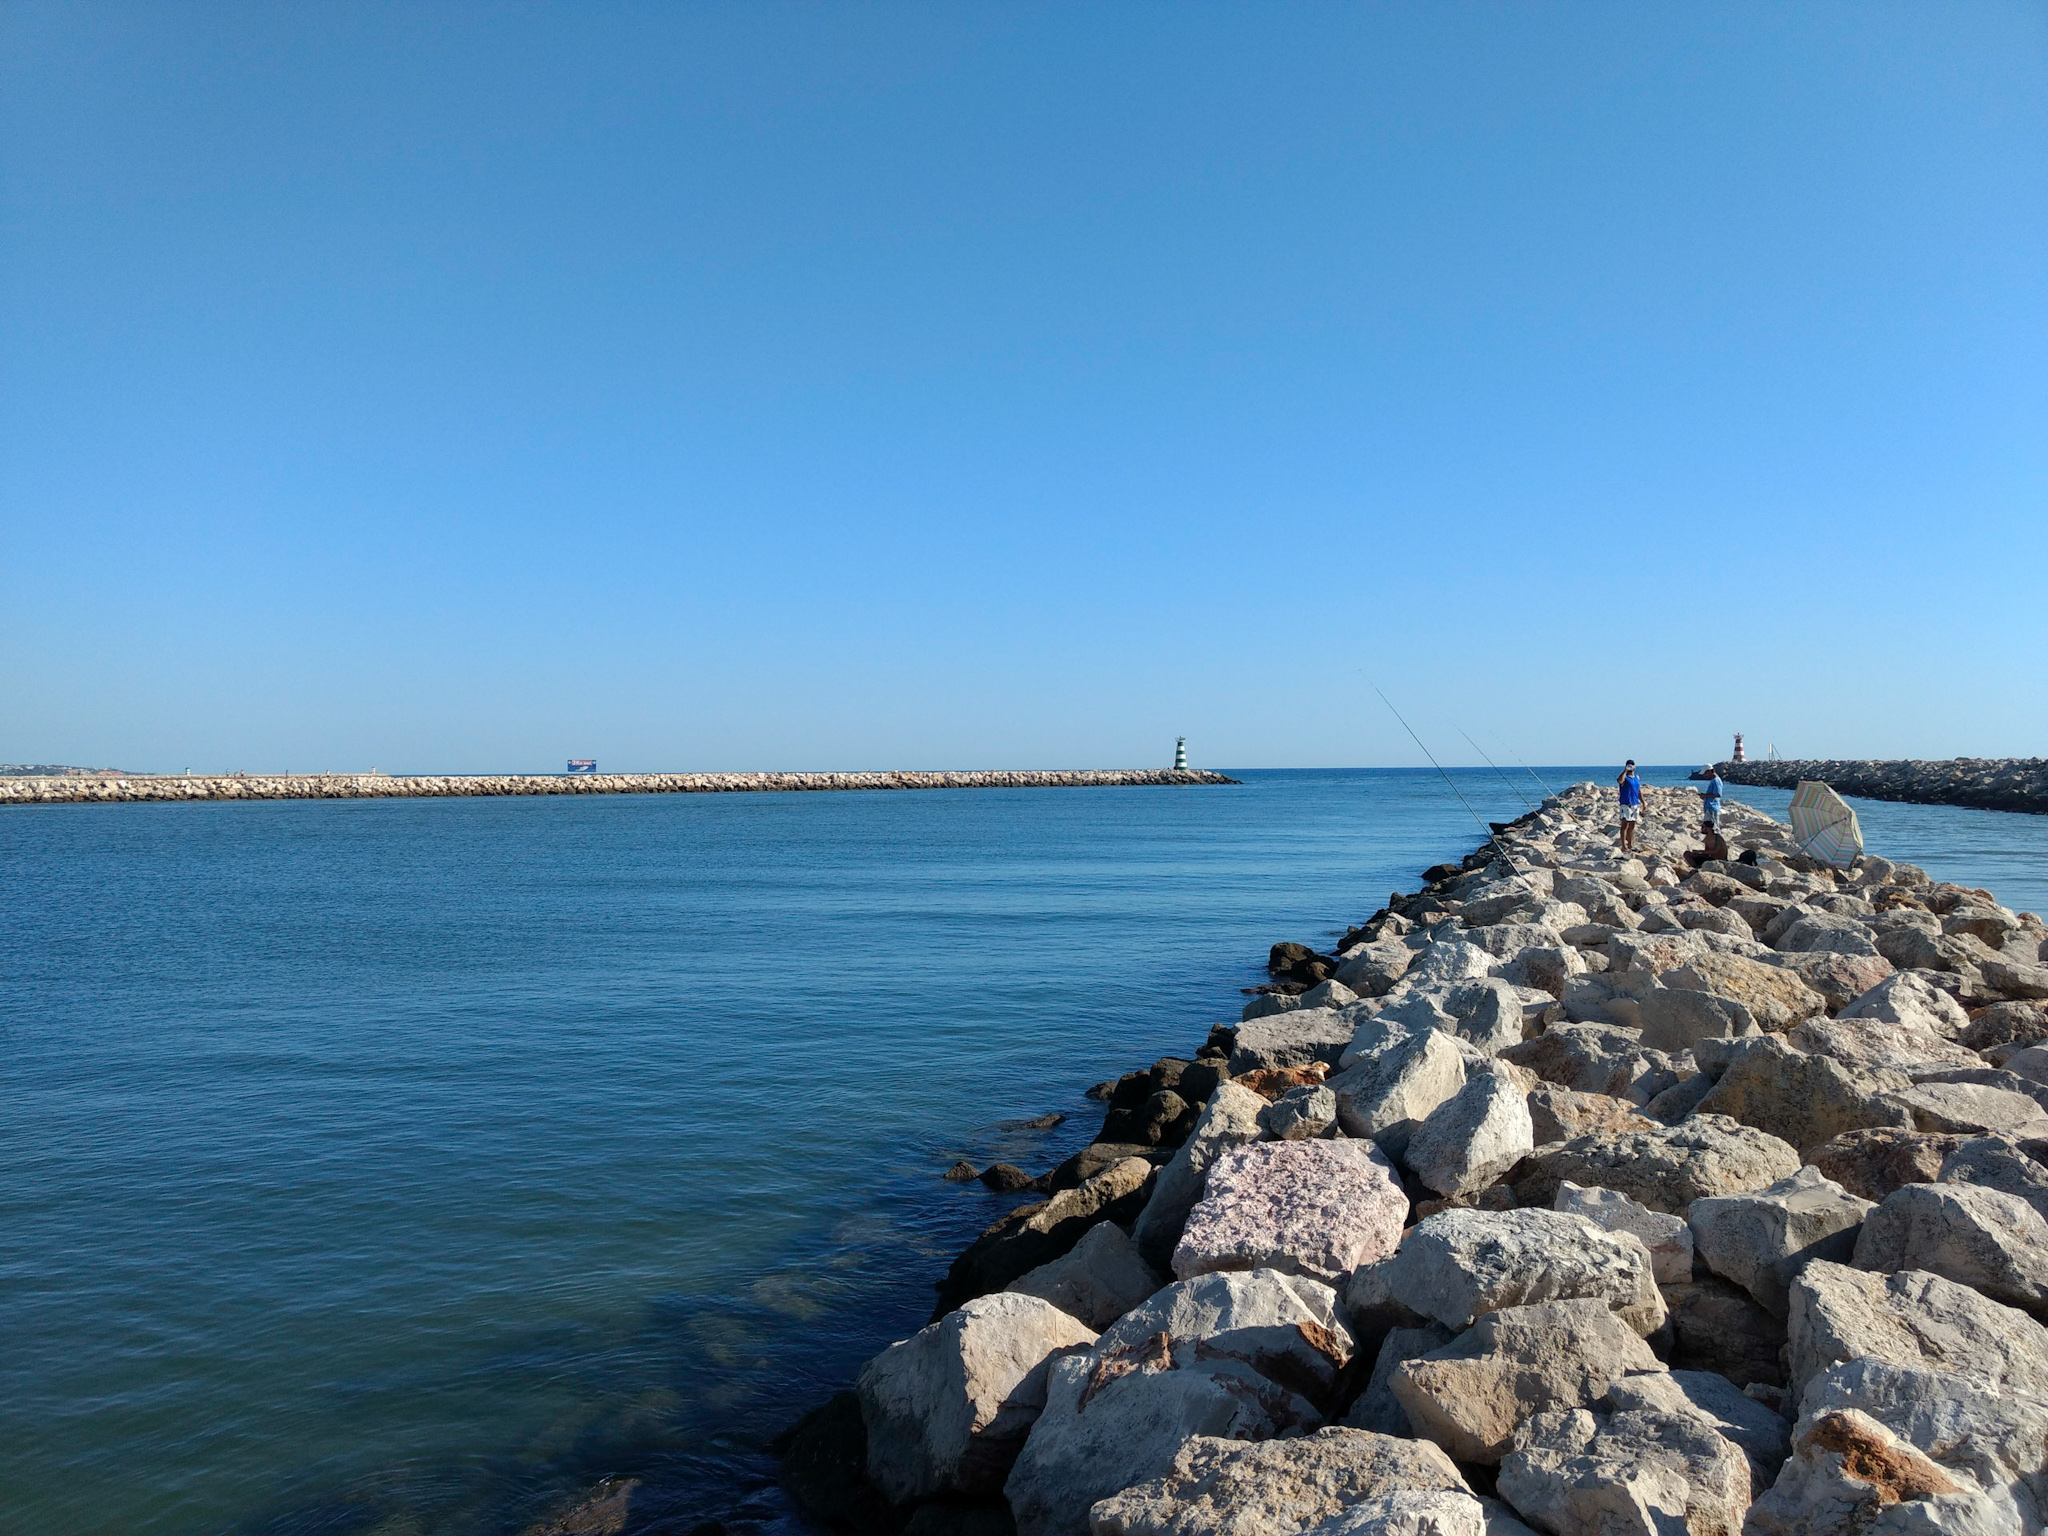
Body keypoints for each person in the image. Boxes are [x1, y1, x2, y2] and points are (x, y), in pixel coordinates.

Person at [1615, 761, 1643, 852]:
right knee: (1624, 825)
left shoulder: (1637, 778)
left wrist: (1643, 802)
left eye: (1631, 766)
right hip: (1626, 804)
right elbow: (1620, 781)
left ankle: (1630, 845)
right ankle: (1624, 846)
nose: (1630, 767)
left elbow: (1639, 791)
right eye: (1628, 766)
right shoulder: (1624, 777)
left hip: (1635, 803)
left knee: (1632, 825)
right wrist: (1625, 771)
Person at [1698, 766, 1725, 833]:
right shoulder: (1714, 780)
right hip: (1710, 807)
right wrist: (1705, 795)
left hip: (1712, 807)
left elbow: (1718, 795)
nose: (1705, 776)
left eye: (1705, 773)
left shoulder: (1716, 781)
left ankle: (1716, 839)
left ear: (1710, 771)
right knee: (1708, 828)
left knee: (1714, 829)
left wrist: (1705, 796)